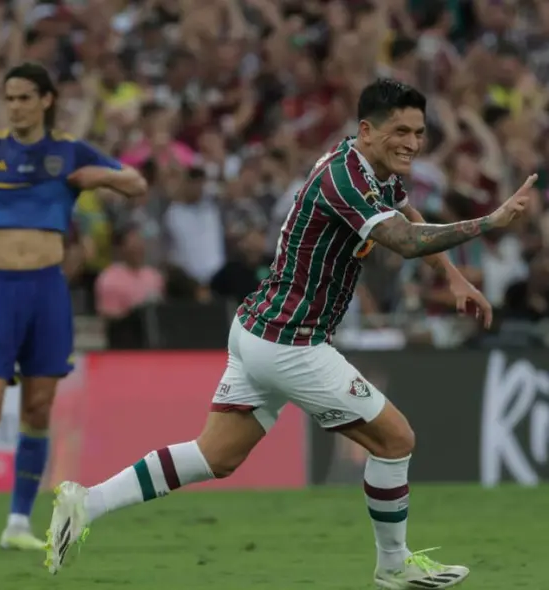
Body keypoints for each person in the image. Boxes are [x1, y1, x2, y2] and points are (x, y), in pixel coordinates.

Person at [46, 79, 536, 589]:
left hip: (259, 328)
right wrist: (492, 220)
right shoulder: (345, 180)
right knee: (395, 439)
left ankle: (87, 501)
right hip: (291, 341)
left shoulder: (371, 169)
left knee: (216, 455)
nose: (412, 142)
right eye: (400, 131)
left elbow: (406, 212)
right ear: (366, 131)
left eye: (418, 131)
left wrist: (454, 277)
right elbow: (404, 240)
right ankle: (394, 568)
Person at [0, 62, 147, 552]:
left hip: (48, 290)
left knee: (39, 408)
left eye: (24, 97)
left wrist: (98, 177)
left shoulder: (68, 151)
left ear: (46, 100)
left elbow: (136, 183)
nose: (16, 106)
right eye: (10, 97)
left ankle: (18, 521)